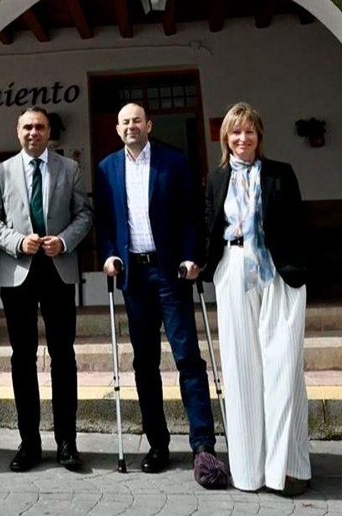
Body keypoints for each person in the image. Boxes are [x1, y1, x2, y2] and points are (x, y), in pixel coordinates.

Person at [94, 103, 224, 486]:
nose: (131, 126)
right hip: (133, 274)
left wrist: (192, 256)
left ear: (149, 125)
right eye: (124, 121)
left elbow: (191, 215)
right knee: (145, 363)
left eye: (137, 120)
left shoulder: (174, 161)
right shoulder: (106, 168)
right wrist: (108, 255)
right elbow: (105, 220)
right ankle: (157, 444)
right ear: (117, 129)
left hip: (170, 272)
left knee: (188, 358)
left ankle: (203, 445)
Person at [201, 102, 312, 496]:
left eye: (249, 131)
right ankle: (248, 472)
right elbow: (209, 224)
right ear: (225, 138)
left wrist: (300, 267)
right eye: (235, 132)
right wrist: (200, 263)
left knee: (283, 366)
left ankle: (288, 470)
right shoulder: (217, 178)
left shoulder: (281, 173)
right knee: (241, 368)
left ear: (259, 136)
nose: (242, 138)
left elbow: (298, 224)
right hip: (234, 268)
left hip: (278, 271)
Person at [0, 106, 93, 472]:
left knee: (63, 356)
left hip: (58, 270)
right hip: (18, 272)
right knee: (22, 357)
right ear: (18, 132)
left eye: (40, 127)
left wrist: (64, 241)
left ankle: (67, 442)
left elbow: (84, 214)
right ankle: (29, 442)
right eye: (27, 127)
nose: (33, 132)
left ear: (49, 132)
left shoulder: (69, 168)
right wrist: (17, 241)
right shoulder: (1, 171)